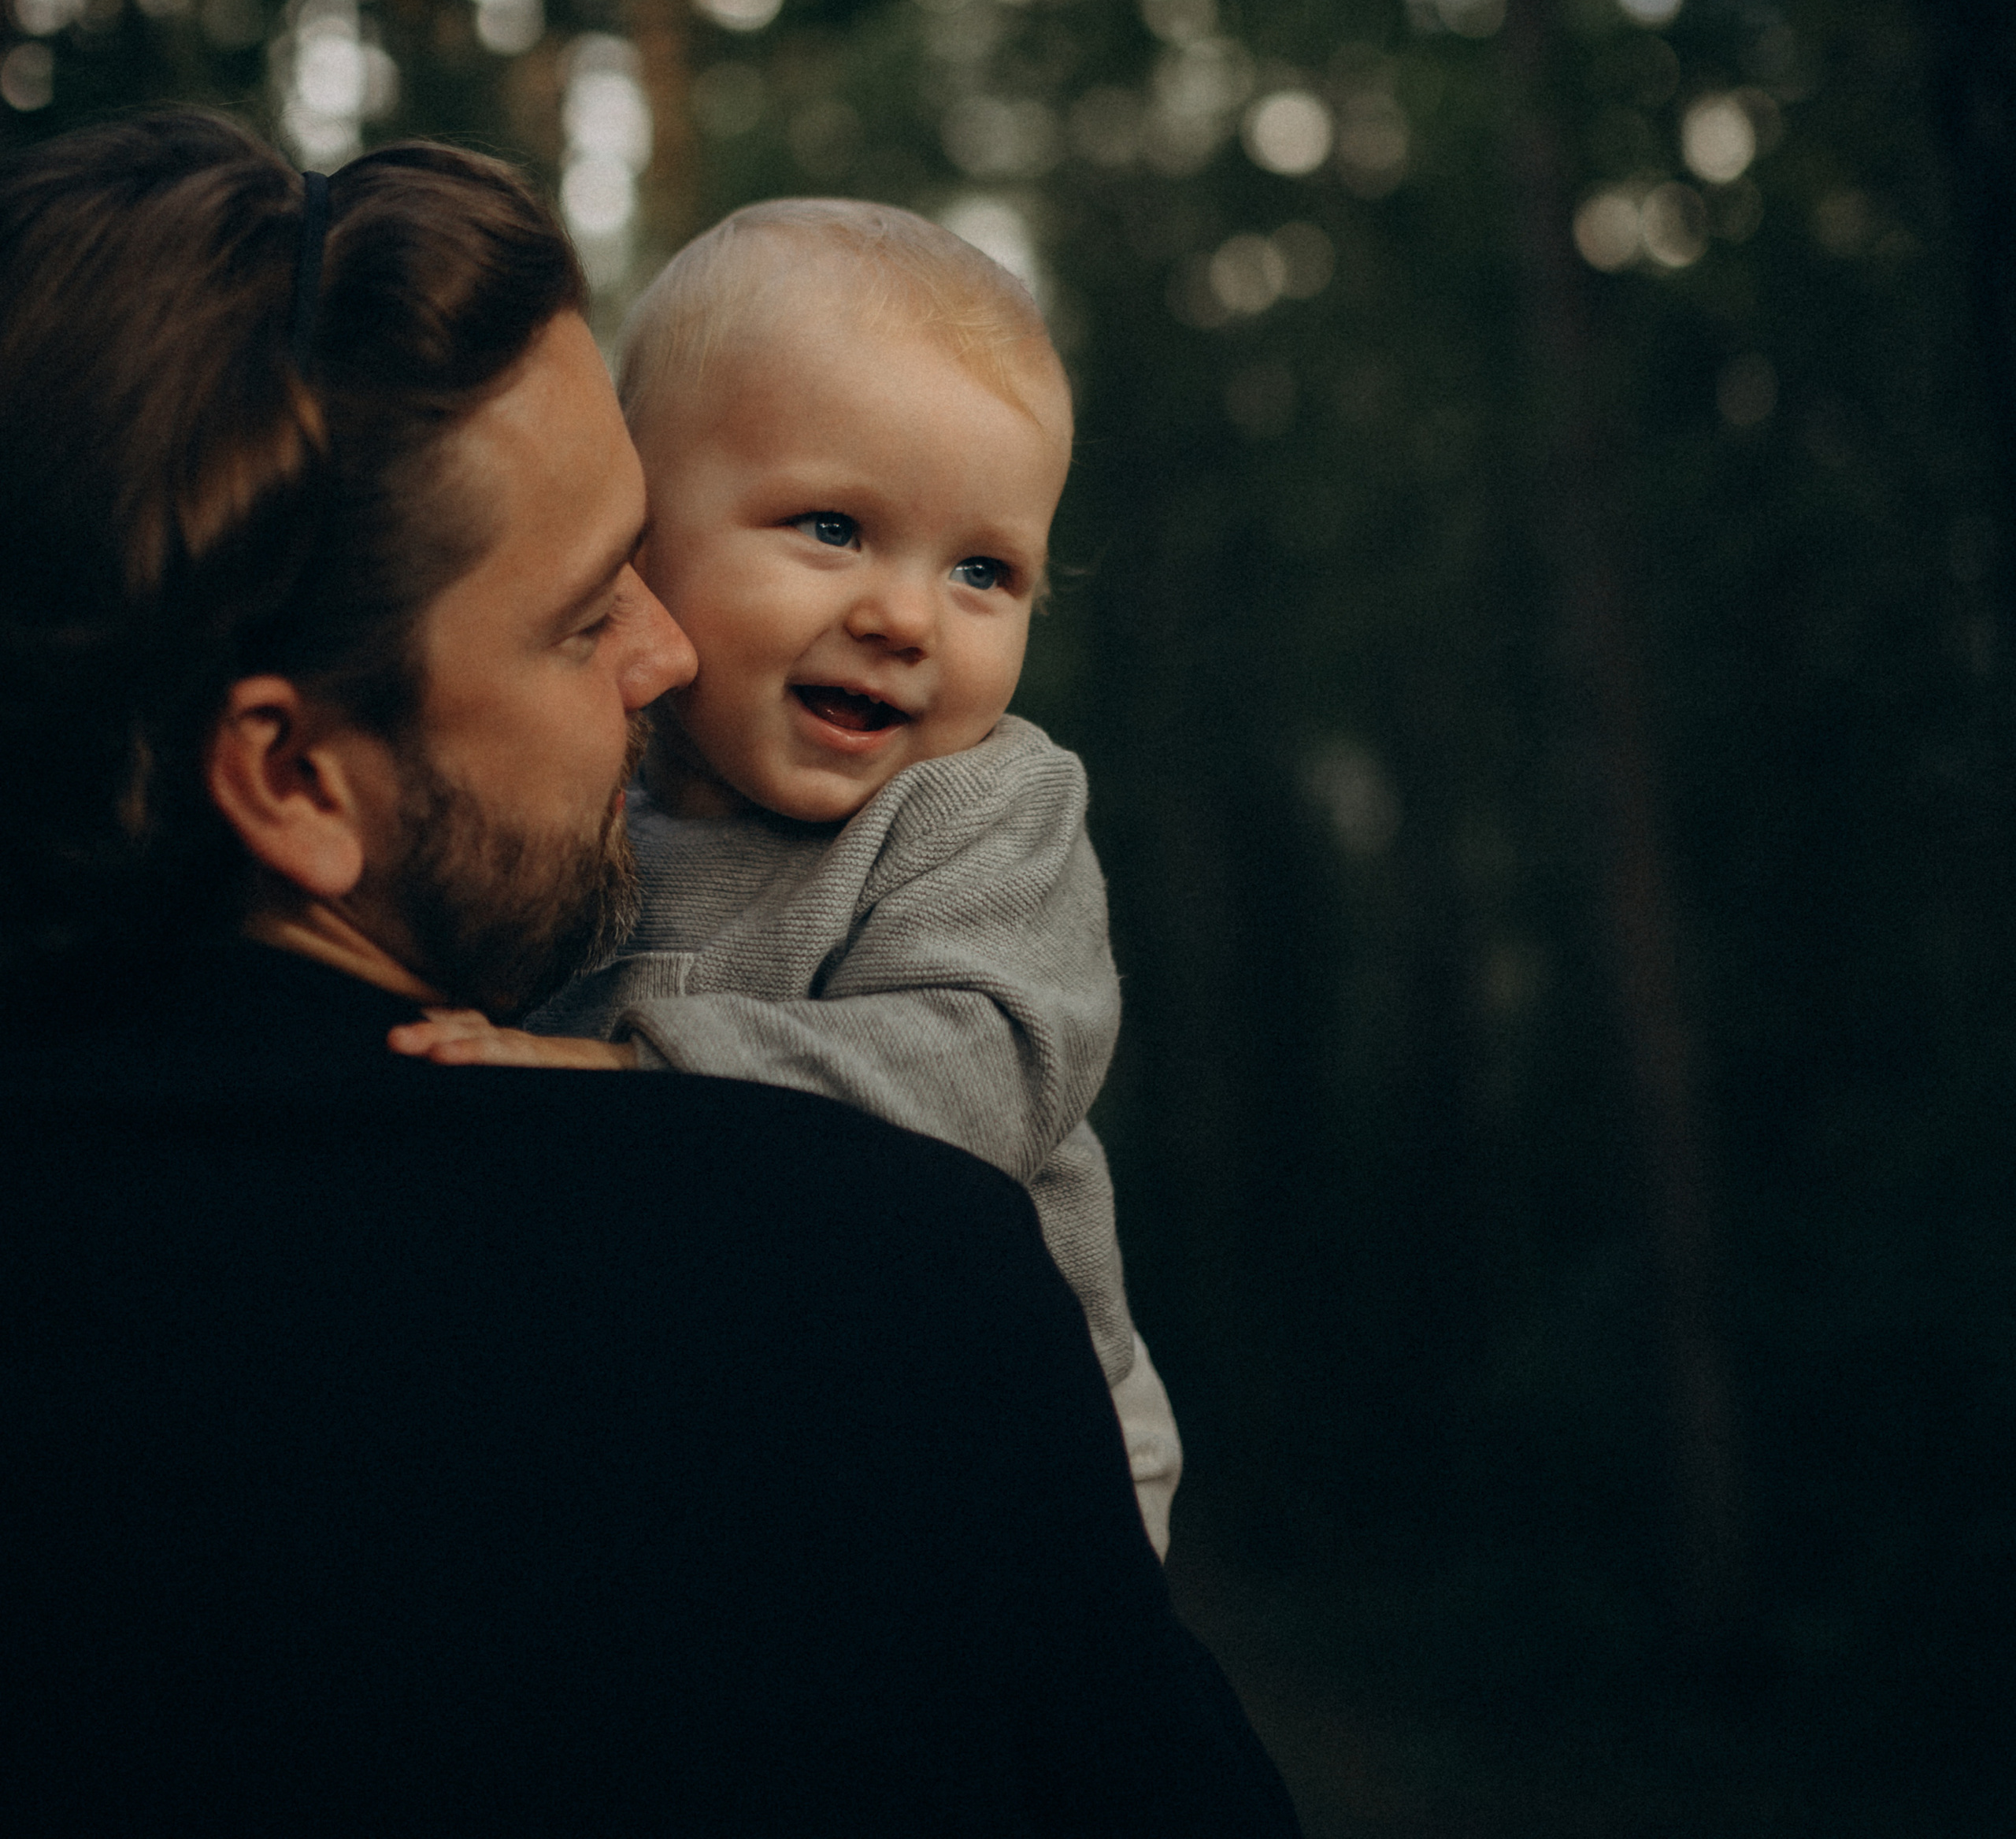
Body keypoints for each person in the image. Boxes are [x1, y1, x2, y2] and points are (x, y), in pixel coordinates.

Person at [0, 111, 1299, 1839]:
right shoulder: (878, 1292)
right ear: (292, 773)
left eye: (985, 571)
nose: (664, 650)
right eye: (577, 611)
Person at [394, 198, 1184, 1552]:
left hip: (1008, 1459)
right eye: (831, 527)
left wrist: (644, 1081)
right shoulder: (575, 801)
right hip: (711, 1425)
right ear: (640, 533)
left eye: (984, 570)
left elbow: (981, 1071)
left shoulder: (984, 805)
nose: (902, 615)